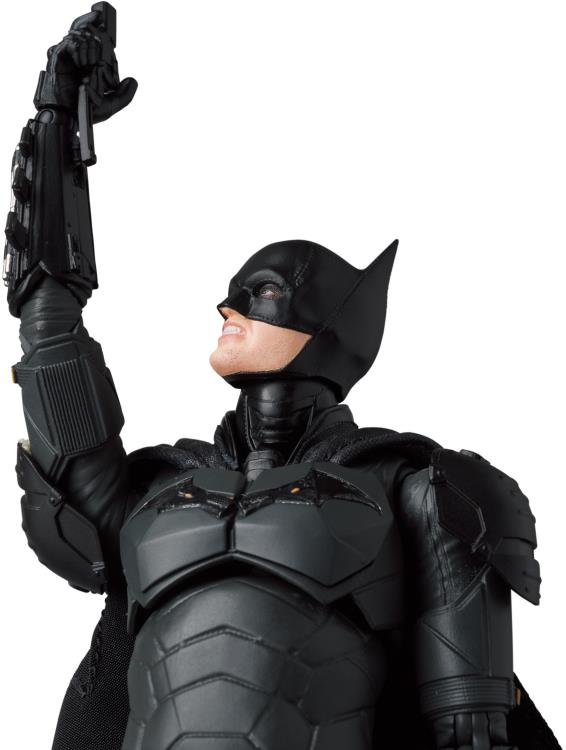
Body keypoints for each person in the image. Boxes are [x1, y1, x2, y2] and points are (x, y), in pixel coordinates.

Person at [3, 6, 560, 750]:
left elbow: (472, 730)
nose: (227, 308)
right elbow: (52, 350)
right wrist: (55, 133)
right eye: (232, 293)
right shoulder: (158, 489)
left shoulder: (418, 490)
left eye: (260, 292)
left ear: (335, 323)